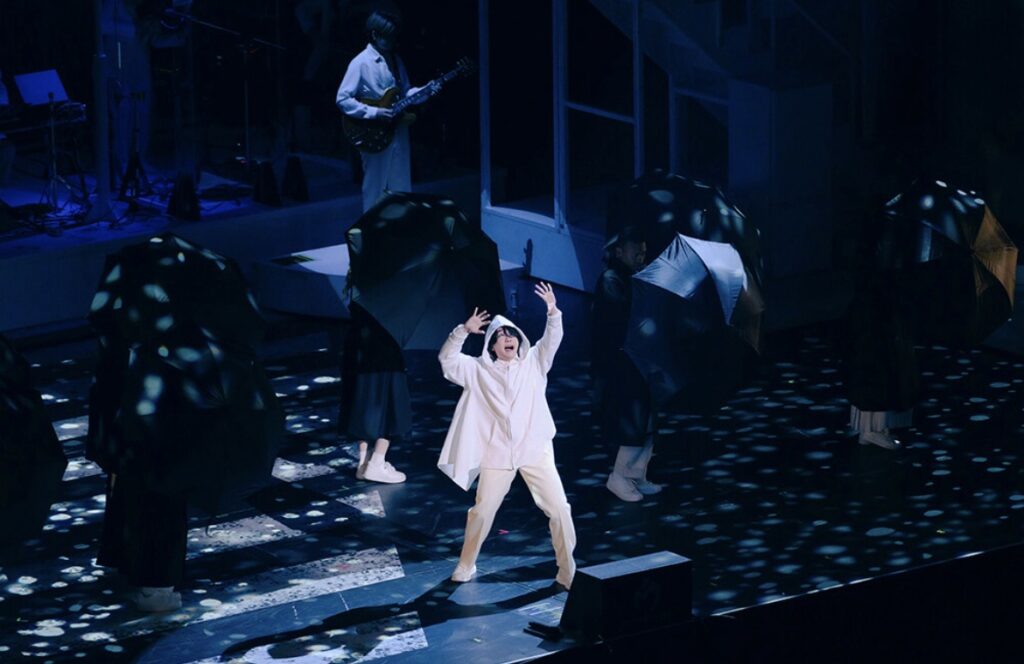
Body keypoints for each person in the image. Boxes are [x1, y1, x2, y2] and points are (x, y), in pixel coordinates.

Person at [437, 283, 576, 589]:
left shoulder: (534, 362)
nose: (507, 338)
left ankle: (568, 571)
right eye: (500, 335)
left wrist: (552, 312)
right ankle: (466, 564)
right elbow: (447, 361)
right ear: (492, 346)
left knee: (559, 509)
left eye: (511, 333)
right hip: (497, 454)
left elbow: (552, 339)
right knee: (482, 512)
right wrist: (463, 331)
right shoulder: (477, 370)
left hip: (534, 450)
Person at [591, 227, 662, 501]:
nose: (641, 257)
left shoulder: (636, 277)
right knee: (632, 419)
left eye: (643, 253)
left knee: (647, 419)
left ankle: (637, 474)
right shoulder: (611, 279)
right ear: (620, 252)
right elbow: (620, 318)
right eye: (636, 253)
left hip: (639, 358)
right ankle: (620, 476)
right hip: (621, 362)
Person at [335, 10, 426, 211]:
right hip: (374, 133)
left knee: (402, 188)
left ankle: (400, 227)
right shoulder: (360, 62)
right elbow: (342, 99)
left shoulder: (396, 60)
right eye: (389, 35)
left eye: (395, 36)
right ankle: (371, 228)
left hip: (398, 131)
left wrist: (425, 92)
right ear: (375, 34)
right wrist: (374, 112)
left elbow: (405, 91)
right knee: (374, 189)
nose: (393, 41)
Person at [339, 303, 410, 483]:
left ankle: (363, 464)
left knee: (362, 404)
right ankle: (376, 462)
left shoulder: (359, 300)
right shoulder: (389, 297)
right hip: (384, 351)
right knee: (388, 408)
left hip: (360, 349)